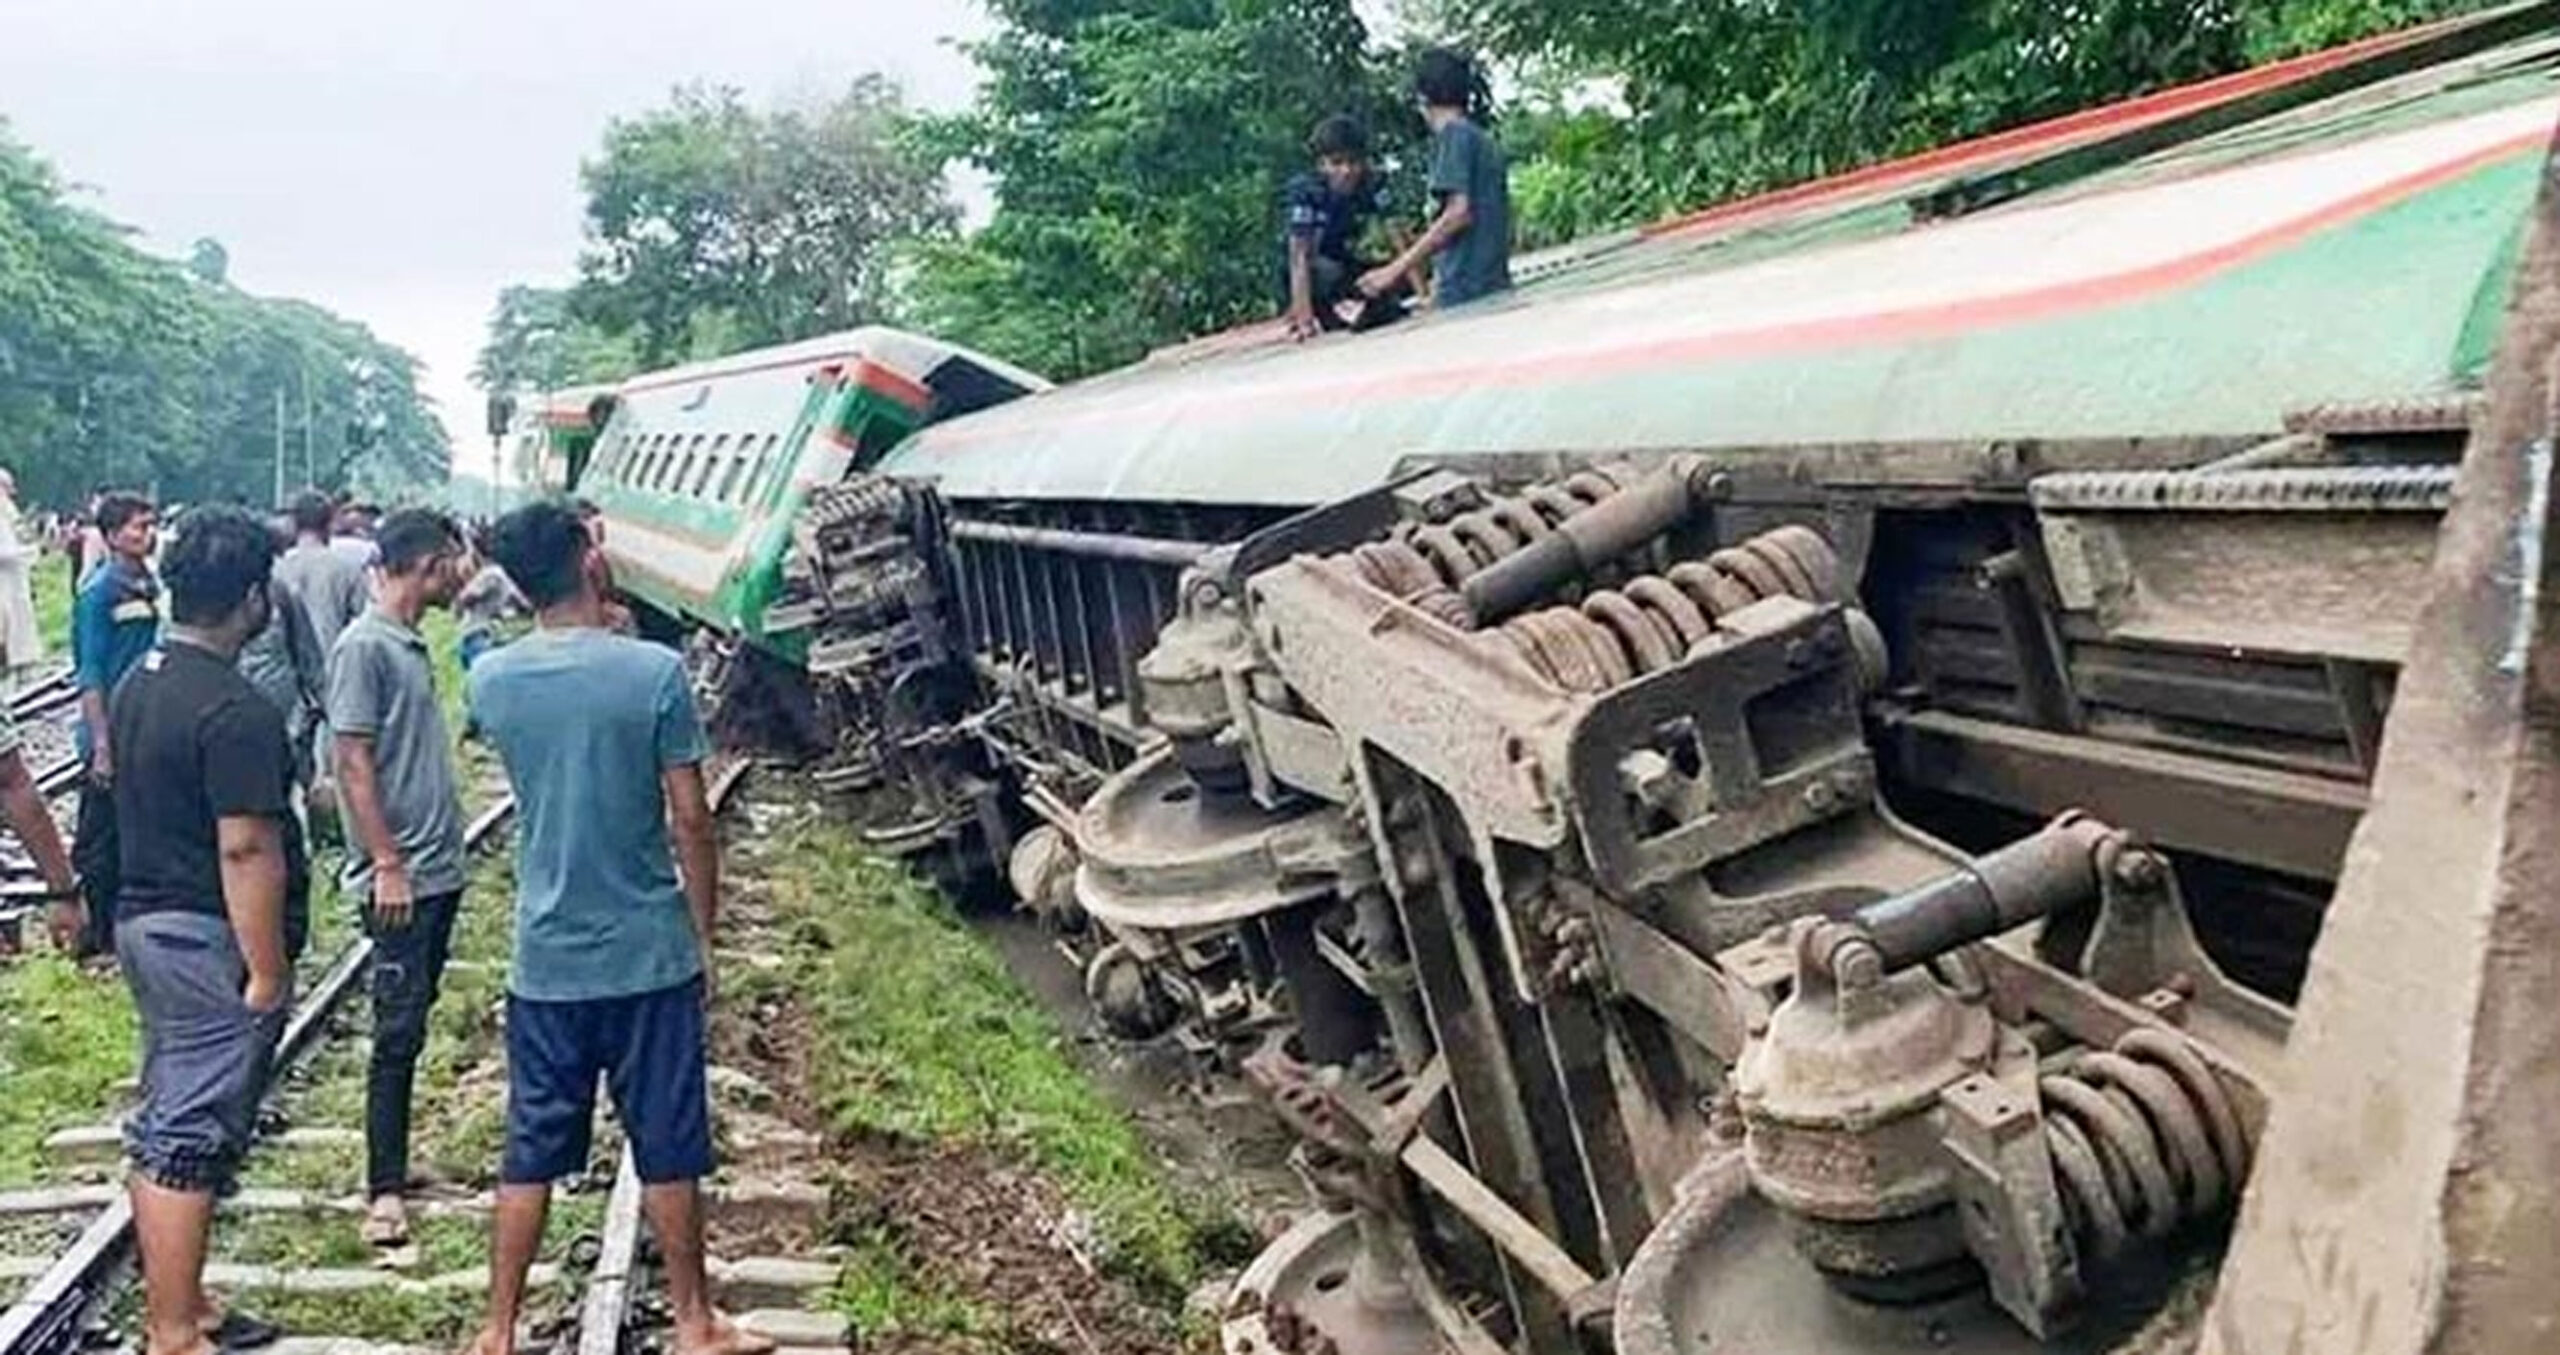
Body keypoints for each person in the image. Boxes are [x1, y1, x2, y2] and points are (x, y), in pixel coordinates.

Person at [463, 501, 768, 1355]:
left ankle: (496, 1329)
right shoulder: (655, 673)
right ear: (588, 563)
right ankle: (695, 1319)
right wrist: (702, 934)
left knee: (530, 1147)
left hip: (545, 959)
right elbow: (691, 819)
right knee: (669, 1143)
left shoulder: (491, 680)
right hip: (647, 953)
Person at [111, 505, 303, 1355]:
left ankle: (184, 1301)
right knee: (188, 1133)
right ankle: (174, 1330)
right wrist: (265, 968)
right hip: (200, 934)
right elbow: (246, 844)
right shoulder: (236, 710)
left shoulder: (141, 679)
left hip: (144, 920)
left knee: (165, 1112)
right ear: (254, 598)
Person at [327, 509, 468, 1248]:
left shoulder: (408, 643)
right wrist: (386, 861)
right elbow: (350, 760)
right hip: (399, 876)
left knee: (412, 1022)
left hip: (434, 868)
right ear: (427, 563)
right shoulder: (364, 646)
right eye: (454, 560)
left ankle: (397, 1163)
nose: (462, 572)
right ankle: (382, 1188)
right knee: (395, 1026)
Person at [71, 492, 161, 959]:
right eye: (136, 527)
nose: (147, 534)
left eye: (150, 525)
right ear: (110, 536)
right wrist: (101, 743)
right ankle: (96, 928)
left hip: (146, 721)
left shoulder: (152, 585)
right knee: (101, 835)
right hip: (110, 726)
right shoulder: (99, 592)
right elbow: (90, 670)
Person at [1360, 47, 1513, 312]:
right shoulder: (1480, 139)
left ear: (1423, 97)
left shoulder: (1454, 137)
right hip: (1489, 280)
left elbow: (1458, 214)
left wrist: (1394, 270)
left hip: (1466, 288)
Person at [1280, 116, 1407, 340]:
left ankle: (1358, 309)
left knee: (1390, 277)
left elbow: (1396, 233)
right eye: (1337, 163)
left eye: (1353, 162)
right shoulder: (1308, 192)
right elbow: (1299, 256)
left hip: (1344, 262)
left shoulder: (1372, 183)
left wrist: (1423, 293)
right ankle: (1314, 312)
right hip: (1311, 269)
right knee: (1324, 270)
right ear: (1322, 165)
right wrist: (1304, 320)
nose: (1347, 171)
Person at [234, 517, 328, 789]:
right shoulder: (214, 601)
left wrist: (321, 707)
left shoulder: (280, 594)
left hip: (285, 721)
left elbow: (308, 658)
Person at [274, 491, 369, 658]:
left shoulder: (278, 569)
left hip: (289, 668)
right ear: (329, 523)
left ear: (294, 523)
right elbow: (363, 622)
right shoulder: (346, 569)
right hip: (333, 663)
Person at [0, 470, 46, 683]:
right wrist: (32, 551)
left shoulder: (7, 514)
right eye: (7, 489)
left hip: (15, 587)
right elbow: (5, 552)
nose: (11, 495)